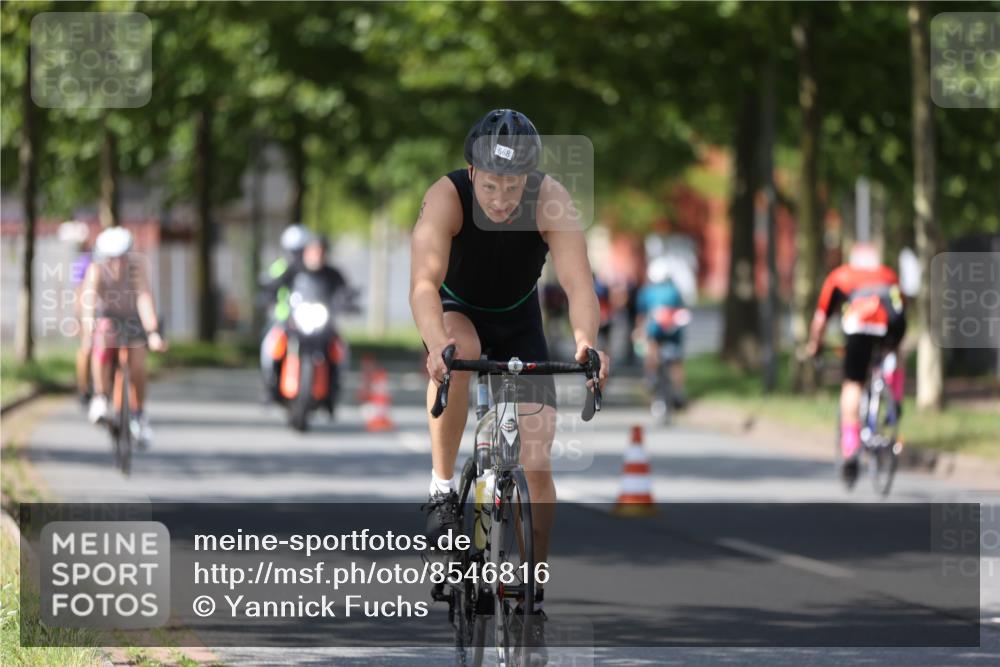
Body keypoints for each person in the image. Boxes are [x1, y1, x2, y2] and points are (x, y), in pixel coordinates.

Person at [409, 108, 610, 660]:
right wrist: (436, 347)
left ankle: (533, 588)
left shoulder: (550, 199)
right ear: (472, 173)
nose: (501, 198)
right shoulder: (446, 197)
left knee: (537, 454)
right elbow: (424, 282)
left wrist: (587, 340)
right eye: (492, 184)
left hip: (520, 319)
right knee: (462, 351)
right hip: (456, 314)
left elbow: (577, 280)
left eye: (512, 186)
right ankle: (441, 489)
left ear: (529, 180)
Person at [805, 242, 907, 483]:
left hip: (859, 327)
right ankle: (895, 398)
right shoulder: (888, 274)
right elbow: (902, 310)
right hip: (892, 327)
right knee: (896, 351)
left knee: (853, 383)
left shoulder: (840, 276)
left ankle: (850, 449)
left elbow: (820, 321)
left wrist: (814, 346)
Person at [81, 227, 168, 446]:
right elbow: (89, 301)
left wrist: (152, 332)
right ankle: (100, 396)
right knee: (101, 338)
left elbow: (144, 298)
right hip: (107, 316)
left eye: (122, 259)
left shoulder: (137, 268)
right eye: (112, 259)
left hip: (133, 318)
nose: (117, 264)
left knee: (138, 362)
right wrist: (88, 327)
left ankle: (138, 413)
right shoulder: (96, 270)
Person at [259, 224, 311, 400]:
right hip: (283, 317)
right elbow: (268, 286)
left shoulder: (312, 268)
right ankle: (269, 380)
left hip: (309, 318)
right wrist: (268, 300)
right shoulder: (280, 267)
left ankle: (335, 382)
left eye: (301, 250)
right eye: (294, 250)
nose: (297, 254)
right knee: (269, 345)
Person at [634, 256, 690, 414]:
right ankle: (679, 391)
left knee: (651, 351)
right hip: (673, 330)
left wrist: (639, 331)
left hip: (654, 330)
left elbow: (641, 315)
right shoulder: (674, 290)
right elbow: (681, 310)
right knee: (676, 361)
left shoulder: (647, 292)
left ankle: (651, 378)